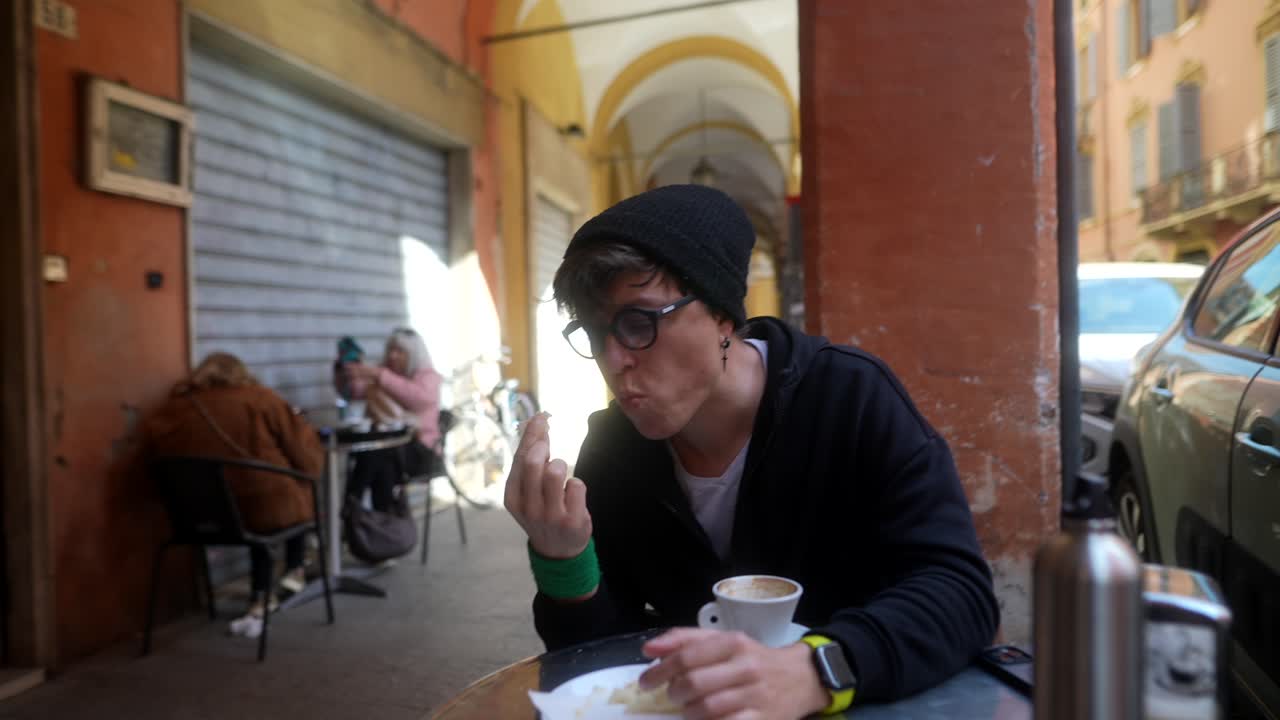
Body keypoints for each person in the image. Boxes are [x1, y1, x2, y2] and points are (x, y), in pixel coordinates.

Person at [505, 185, 1000, 718]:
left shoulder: (849, 398)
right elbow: (599, 661)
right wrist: (564, 560)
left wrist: (818, 669)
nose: (614, 359)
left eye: (637, 322)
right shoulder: (615, 448)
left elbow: (962, 594)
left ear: (721, 315)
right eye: (596, 333)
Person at [145, 352, 323, 639]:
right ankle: (292, 569)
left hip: (194, 519)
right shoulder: (261, 400)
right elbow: (309, 461)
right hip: (261, 513)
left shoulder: (173, 410)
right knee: (279, 495)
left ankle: (269, 589)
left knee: (252, 500)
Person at [337, 327, 443, 511]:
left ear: (414, 354)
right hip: (391, 452)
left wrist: (379, 375)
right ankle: (378, 518)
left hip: (421, 451)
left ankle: (352, 507)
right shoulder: (384, 376)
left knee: (376, 454)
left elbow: (417, 398)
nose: (393, 355)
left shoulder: (428, 377)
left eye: (400, 351)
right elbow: (355, 391)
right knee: (378, 457)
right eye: (391, 350)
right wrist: (345, 373)